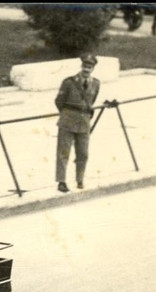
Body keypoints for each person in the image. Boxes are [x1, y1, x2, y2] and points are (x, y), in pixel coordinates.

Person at [54, 54, 100, 192]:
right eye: (85, 66)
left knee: (83, 153)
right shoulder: (69, 82)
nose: (86, 69)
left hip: (84, 122)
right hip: (67, 121)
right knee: (63, 152)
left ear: (93, 68)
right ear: (81, 66)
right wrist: (68, 114)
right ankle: (61, 181)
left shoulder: (96, 83)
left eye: (89, 67)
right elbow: (59, 101)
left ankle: (80, 179)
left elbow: (92, 101)